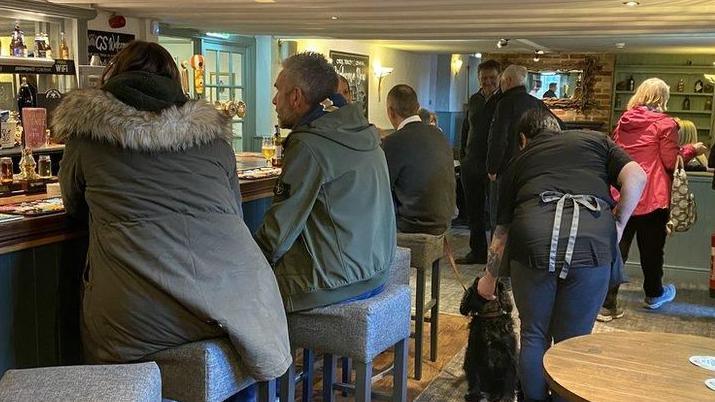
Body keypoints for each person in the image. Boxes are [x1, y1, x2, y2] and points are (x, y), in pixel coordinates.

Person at [52, 41, 291, 381]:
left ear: (113, 75)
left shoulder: (87, 136)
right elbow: (233, 208)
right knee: (238, 364)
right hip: (236, 304)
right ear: (175, 82)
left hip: (136, 314)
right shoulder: (214, 138)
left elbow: (72, 203)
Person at [476, 109, 647, 402]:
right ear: (559, 129)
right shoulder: (597, 141)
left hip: (533, 241)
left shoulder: (519, 161)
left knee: (534, 334)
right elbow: (637, 176)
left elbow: (502, 232)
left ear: (522, 139)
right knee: (574, 342)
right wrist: (618, 223)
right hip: (591, 244)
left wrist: (488, 280)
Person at [255, 52, 395, 312]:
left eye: (278, 91)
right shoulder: (363, 130)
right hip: (375, 272)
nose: (274, 101)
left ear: (296, 97)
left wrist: (243, 263)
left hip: (333, 284)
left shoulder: (309, 143)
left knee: (237, 296)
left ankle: (271, 355)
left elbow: (278, 234)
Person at [599, 78, 707, 319]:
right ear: (662, 98)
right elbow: (670, 161)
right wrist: (691, 150)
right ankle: (654, 294)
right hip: (652, 196)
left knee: (617, 248)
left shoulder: (623, 121)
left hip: (623, 192)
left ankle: (607, 304)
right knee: (652, 250)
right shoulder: (666, 124)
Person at [382, 84, 456, 235]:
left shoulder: (392, 142)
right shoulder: (440, 135)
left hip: (412, 225)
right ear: (417, 107)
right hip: (444, 222)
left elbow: (381, 188)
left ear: (390, 112)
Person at [486, 65, 552, 231]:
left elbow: (498, 138)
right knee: (524, 216)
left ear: (507, 81)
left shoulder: (504, 104)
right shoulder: (537, 104)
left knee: (500, 220)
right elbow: (559, 127)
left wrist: (492, 167)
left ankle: (499, 256)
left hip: (506, 168)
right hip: (532, 169)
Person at [457, 59, 501, 264]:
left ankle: (494, 257)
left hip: (494, 166)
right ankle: (477, 252)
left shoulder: (504, 101)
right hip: (471, 164)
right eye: (484, 78)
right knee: (473, 213)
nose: (488, 82)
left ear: (499, 77)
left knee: (494, 214)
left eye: (492, 78)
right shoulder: (474, 100)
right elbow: (466, 129)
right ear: (479, 78)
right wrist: (463, 157)